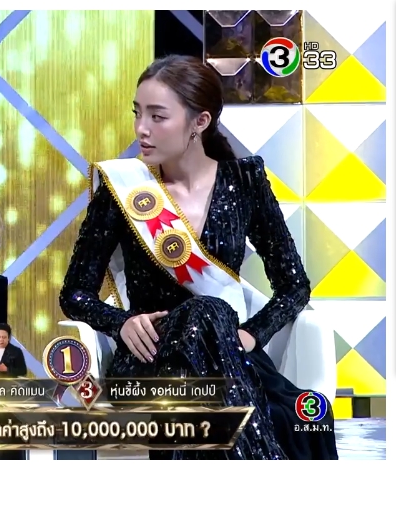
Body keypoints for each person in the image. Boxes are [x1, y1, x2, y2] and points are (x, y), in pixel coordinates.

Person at [59, 55, 337, 460]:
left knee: (209, 312)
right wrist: (122, 323)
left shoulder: (244, 182)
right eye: (138, 113)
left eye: (158, 116)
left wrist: (252, 333)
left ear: (200, 122)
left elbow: (294, 286)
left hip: (229, 354)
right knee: (208, 311)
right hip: (149, 359)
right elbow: (74, 294)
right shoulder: (122, 190)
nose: (141, 128)